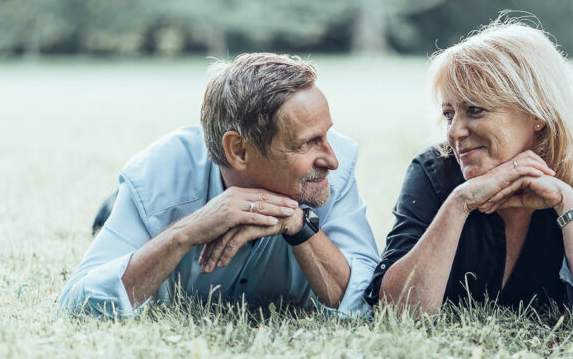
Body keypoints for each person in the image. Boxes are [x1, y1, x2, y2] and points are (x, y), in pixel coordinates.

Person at [365, 22, 573, 326]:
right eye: (449, 114)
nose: (454, 132)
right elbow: (394, 315)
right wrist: (459, 203)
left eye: (475, 110)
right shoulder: (435, 171)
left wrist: (567, 204)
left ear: (538, 114)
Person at [60, 53, 379, 317]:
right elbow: (76, 305)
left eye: (326, 135)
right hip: (156, 199)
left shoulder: (334, 172)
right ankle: (111, 210)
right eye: (307, 143)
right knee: (115, 219)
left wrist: (300, 226)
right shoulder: (156, 176)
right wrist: (185, 233)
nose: (331, 159)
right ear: (239, 151)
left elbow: (371, 302)